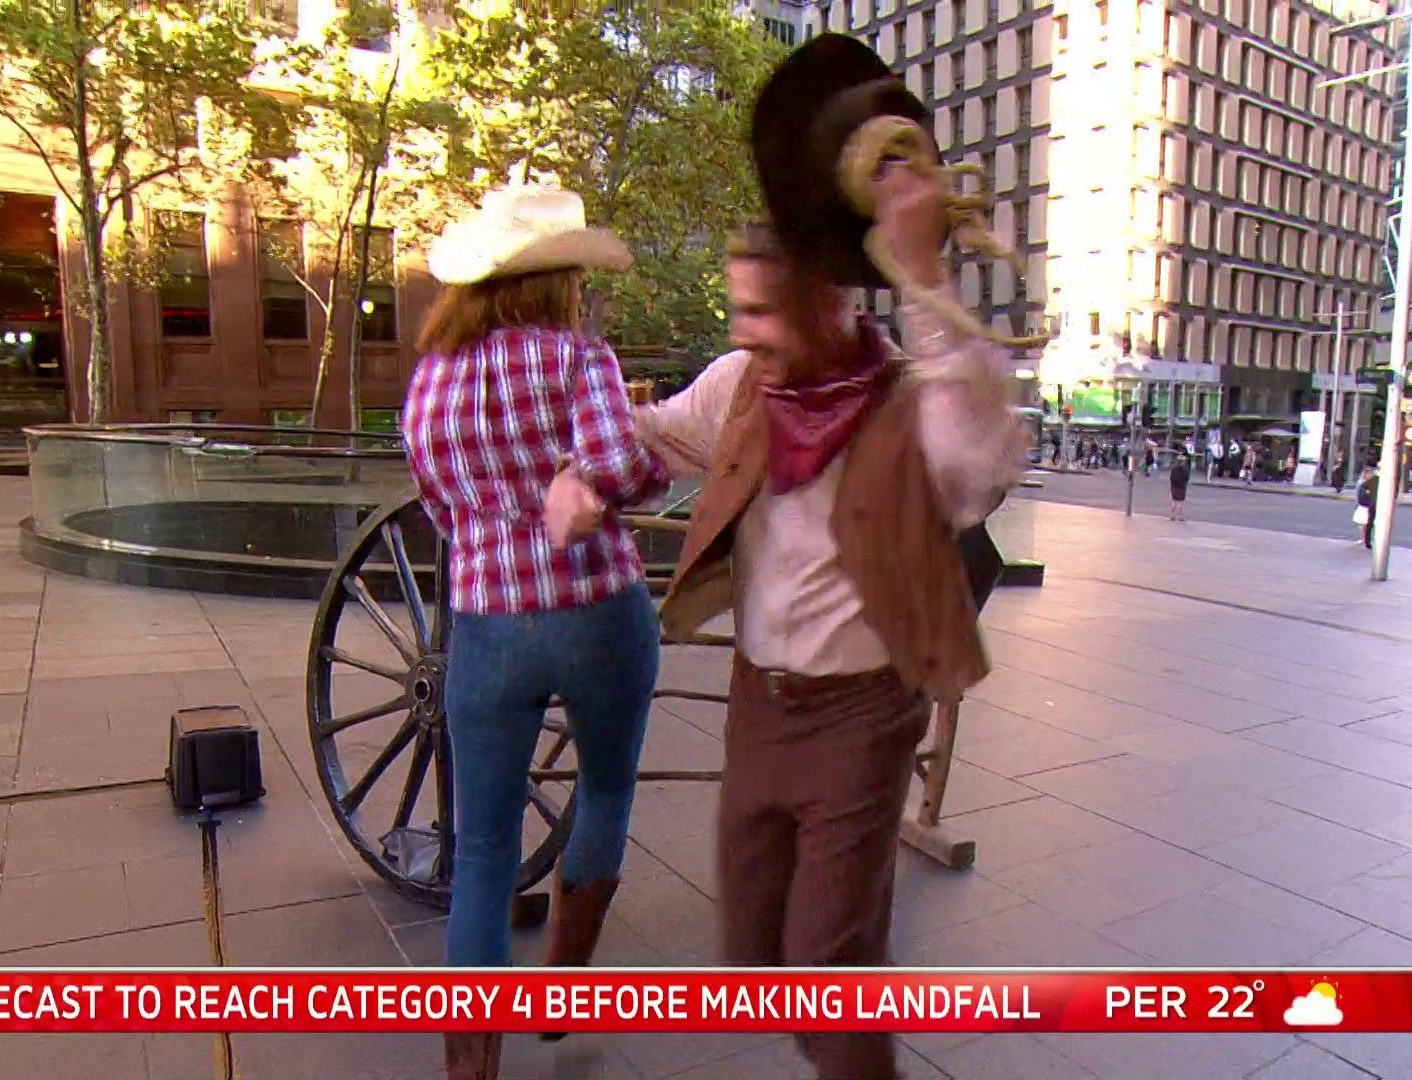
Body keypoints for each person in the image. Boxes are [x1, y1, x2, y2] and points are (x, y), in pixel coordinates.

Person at [555, 39, 1024, 1078]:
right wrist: (586, 477)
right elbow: (652, 433)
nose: (746, 333)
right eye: (739, 315)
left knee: (827, 963)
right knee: (759, 950)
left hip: (864, 709)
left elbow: (978, 465)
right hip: (759, 704)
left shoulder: (909, 402)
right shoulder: (742, 387)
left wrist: (924, 271)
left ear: (827, 306)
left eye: (761, 314)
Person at [400, 183, 668, 1080]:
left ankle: (472, 1067)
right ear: (558, 279)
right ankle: (561, 993)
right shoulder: (578, 357)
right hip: (597, 609)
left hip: (488, 622)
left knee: (482, 850)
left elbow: (439, 508)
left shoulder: (431, 378)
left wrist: (497, 533)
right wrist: (645, 468)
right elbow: (618, 466)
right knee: (606, 790)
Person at [1354, 465, 1377, 548]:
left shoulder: (1367, 483)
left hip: (1367, 506)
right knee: (1363, 523)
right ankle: (1364, 539)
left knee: (1366, 524)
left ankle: (1366, 539)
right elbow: (1358, 494)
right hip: (1363, 506)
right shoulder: (1362, 482)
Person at [1168, 446, 1192, 521]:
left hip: (1174, 486)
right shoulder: (1185, 470)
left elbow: (1171, 477)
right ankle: (1180, 516)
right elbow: (1186, 478)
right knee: (1180, 502)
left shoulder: (1173, 469)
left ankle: (1172, 515)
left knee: (1174, 501)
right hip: (1181, 487)